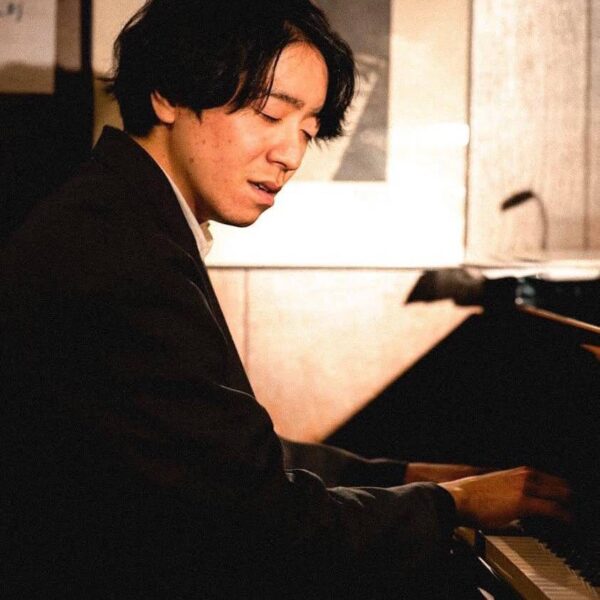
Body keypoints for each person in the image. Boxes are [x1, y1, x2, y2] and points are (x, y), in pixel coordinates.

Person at [1, 1, 572, 598]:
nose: (291, 156)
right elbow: (261, 521)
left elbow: (217, 451)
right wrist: (446, 503)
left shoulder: (119, 218)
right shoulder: (120, 255)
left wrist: (402, 476)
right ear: (168, 94)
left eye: (306, 130)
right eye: (270, 114)